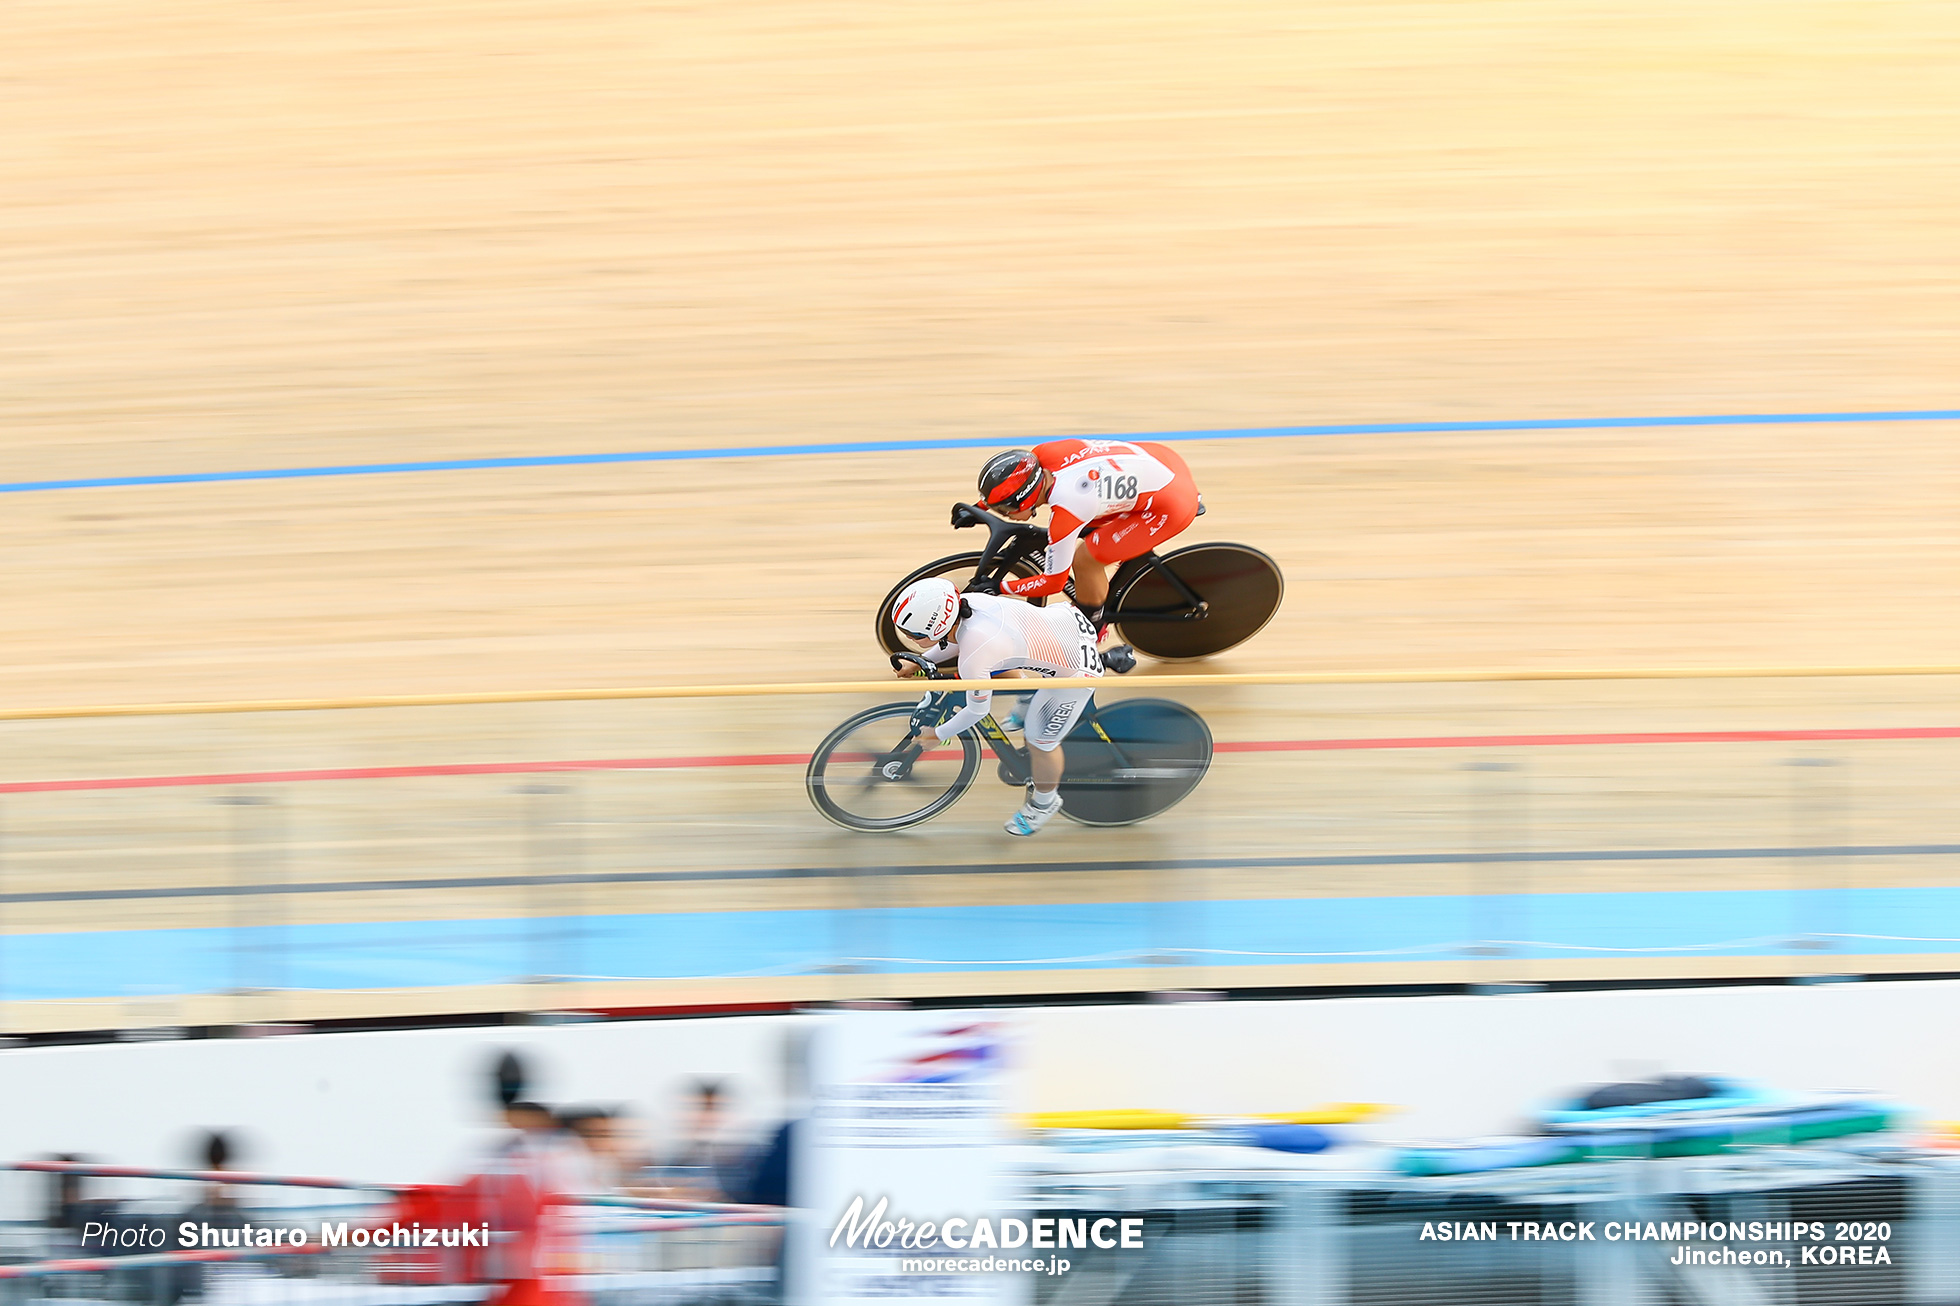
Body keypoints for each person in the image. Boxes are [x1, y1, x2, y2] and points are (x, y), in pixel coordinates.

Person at [889, 578, 1101, 835]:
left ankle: (1045, 802)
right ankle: (1026, 699)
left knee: (1039, 740)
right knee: (996, 659)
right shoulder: (969, 604)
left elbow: (978, 710)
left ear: (934, 630)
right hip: (1067, 622)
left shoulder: (974, 654)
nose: (908, 637)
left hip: (1075, 672)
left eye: (913, 635)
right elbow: (957, 639)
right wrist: (923, 660)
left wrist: (938, 734)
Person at [973, 439, 1202, 627]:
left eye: (1005, 510)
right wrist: (979, 507)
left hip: (1170, 504)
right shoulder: (1039, 456)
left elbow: (1053, 583)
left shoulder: (1068, 510)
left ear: (1026, 500)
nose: (1005, 514)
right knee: (1091, 526)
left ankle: (1094, 624)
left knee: (1084, 561)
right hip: (1161, 459)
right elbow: (1013, 484)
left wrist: (1000, 587)